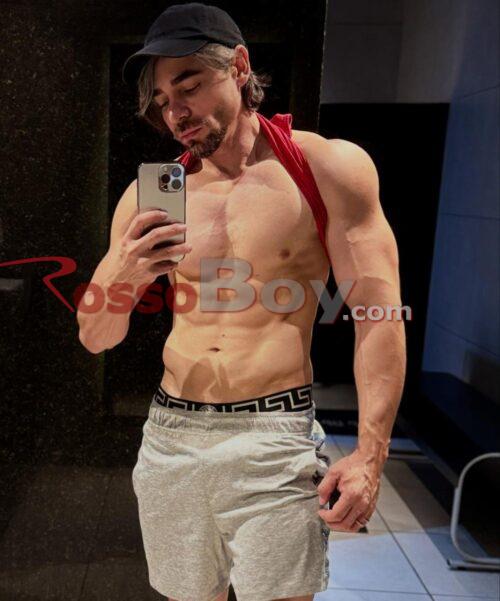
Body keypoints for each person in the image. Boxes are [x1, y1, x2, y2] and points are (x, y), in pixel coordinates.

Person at [77, 3, 406, 600]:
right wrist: (124, 271)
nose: (175, 112)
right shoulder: (156, 194)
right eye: (162, 100)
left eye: (189, 87)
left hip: (274, 437)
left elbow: (379, 317)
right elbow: (96, 336)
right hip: (173, 435)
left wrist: (369, 455)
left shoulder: (324, 167)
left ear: (239, 66)